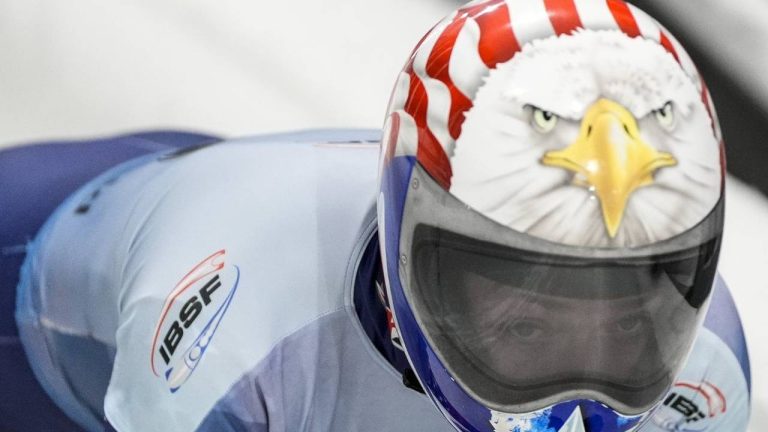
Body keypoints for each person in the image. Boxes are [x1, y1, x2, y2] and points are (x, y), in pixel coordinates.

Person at [8, 0, 751, 431]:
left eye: (628, 325)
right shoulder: (235, 329)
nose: (574, 394)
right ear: (412, 242)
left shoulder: (705, 359)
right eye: (525, 324)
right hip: (47, 316)